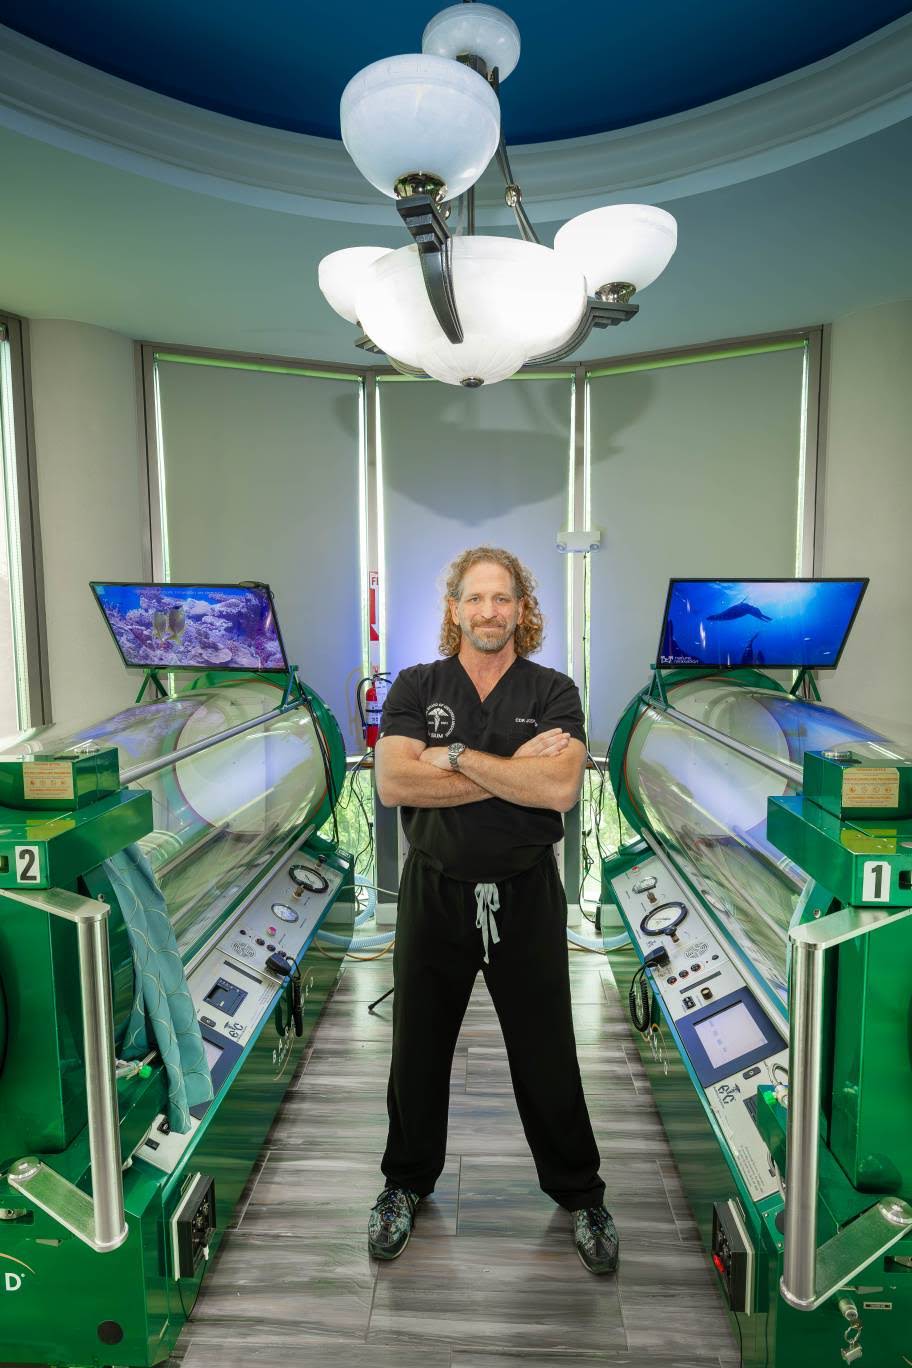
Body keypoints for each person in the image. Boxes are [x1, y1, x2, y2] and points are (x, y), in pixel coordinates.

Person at [367, 546, 618, 1275]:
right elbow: (392, 783)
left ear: (521, 608)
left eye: (502, 598)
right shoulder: (417, 684)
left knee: (547, 1051)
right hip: (433, 892)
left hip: (525, 893)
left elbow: (559, 791)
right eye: (474, 599)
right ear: (454, 609)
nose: (488, 611)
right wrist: (513, 768)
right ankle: (404, 1184)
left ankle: (581, 1193)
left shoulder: (553, 690)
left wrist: (451, 757)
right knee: (417, 1049)